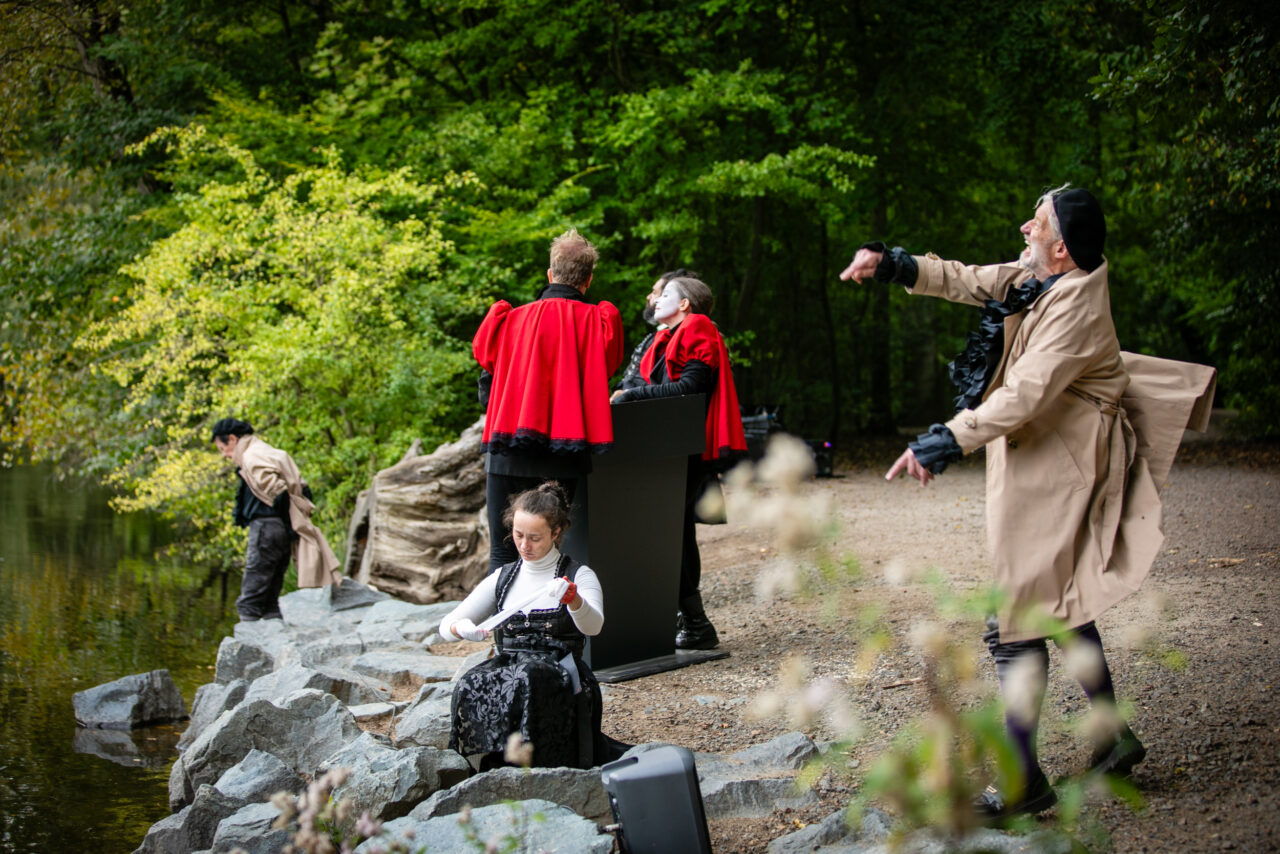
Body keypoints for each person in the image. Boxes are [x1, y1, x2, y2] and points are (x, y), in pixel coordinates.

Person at [840, 186, 1215, 820]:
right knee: (1058, 602)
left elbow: (1024, 394)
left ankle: (1021, 782)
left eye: (1036, 223)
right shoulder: (1041, 278)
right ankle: (1113, 736)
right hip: (1046, 454)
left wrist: (943, 440)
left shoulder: (1074, 308)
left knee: (1012, 620)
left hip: (1061, 465)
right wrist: (895, 263)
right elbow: (971, 279)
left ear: (1062, 248)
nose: (1024, 226)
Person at [438, 481, 621, 769]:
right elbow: (445, 625)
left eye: (535, 538)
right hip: (511, 672)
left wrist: (574, 601)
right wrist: (462, 629)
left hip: (561, 676)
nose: (524, 545)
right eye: (518, 535)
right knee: (472, 680)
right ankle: (488, 764)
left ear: (556, 532)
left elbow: (593, 626)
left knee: (529, 676)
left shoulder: (579, 574)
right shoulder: (503, 577)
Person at [473, 228, 625, 571]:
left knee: (503, 554)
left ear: (550, 274)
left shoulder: (508, 320)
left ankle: (505, 626)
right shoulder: (598, 324)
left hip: (507, 451)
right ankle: (549, 625)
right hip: (563, 455)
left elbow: (487, 382)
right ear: (587, 280)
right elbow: (607, 368)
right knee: (551, 554)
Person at [611, 276, 747, 650]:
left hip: (686, 451)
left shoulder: (698, 327)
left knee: (676, 536)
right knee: (672, 535)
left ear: (685, 304)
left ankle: (696, 624)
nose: (656, 300)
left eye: (666, 294)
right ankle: (685, 620)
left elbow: (691, 389)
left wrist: (632, 396)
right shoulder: (662, 338)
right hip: (664, 450)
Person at [211, 418, 341, 621]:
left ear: (232, 439)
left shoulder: (252, 456)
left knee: (252, 595)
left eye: (222, 448)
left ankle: (247, 638)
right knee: (272, 589)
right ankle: (272, 625)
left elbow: (278, 491)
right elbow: (302, 488)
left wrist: (283, 523)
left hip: (267, 527)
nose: (225, 455)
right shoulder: (266, 450)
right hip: (282, 527)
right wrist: (290, 527)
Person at [616, 268, 697, 392]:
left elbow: (681, 389)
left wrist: (629, 394)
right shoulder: (659, 336)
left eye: (656, 293)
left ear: (682, 302)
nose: (649, 297)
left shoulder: (689, 338)